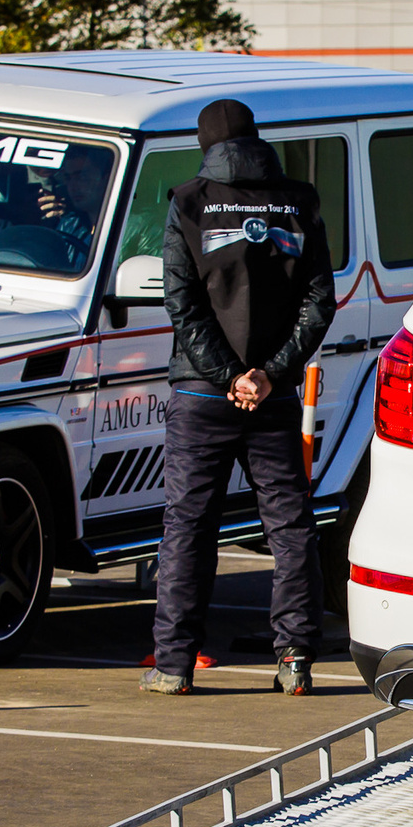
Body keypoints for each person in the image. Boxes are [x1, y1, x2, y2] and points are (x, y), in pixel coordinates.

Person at [140, 99, 337, 697]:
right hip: (273, 396)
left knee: (188, 528)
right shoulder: (300, 202)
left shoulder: (187, 202)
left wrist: (228, 376)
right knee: (289, 524)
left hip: (201, 392)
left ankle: (173, 665)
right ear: (256, 138)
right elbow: (319, 302)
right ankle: (297, 657)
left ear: (205, 144)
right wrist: (269, 374)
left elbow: (183, 305)